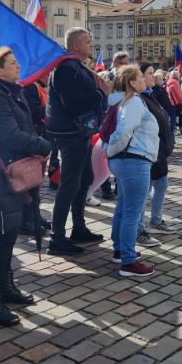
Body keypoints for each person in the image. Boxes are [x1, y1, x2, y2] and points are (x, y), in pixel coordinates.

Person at [0, 47, 52, 326]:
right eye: (13, 63)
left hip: (14, 169)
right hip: (1, 172)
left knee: (12, 230)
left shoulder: (9, 91)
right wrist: (44, 146)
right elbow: (11, 135)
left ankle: (6, 287)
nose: (19, 66)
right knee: (5, 236)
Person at [46, 28, 111, 257]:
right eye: (87, 41)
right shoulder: (66, 67)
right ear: (75, 45)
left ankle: (78, 228)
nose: (91, 44)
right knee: (69, 184)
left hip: (79, 131)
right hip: (71, 133)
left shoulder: (75, 65)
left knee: (84, 179)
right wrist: (100, 93)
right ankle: (56, 238)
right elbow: (72, 102)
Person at [104, 65, 160, 277]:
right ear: (132, 83)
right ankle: (127, 262)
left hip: (127, 161)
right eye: (141, 77)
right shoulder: (134, 101)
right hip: (134, 161)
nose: (146, 79)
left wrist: (111, 151)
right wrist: (110, 150)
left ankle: (120, 251)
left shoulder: (124, 101)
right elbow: (124, 130)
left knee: (124, 207)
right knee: (131, 212)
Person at [137, 62, 176, 239]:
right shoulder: (139, 99)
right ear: (139, 77)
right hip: (149, 151)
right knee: (144, 191)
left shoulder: (151, 94)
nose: (154, 76)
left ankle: (156, 220)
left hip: (159, 152)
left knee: (161, 185)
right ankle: (139, 229)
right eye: (150, 73)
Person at [166, 70, 182, 143]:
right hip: (174, 104)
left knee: (171, 121)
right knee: (172, 123)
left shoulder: (169, 82)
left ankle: (172, 139)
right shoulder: (176, 83)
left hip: (169, 103)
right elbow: (179, 96)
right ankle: (171, 140)